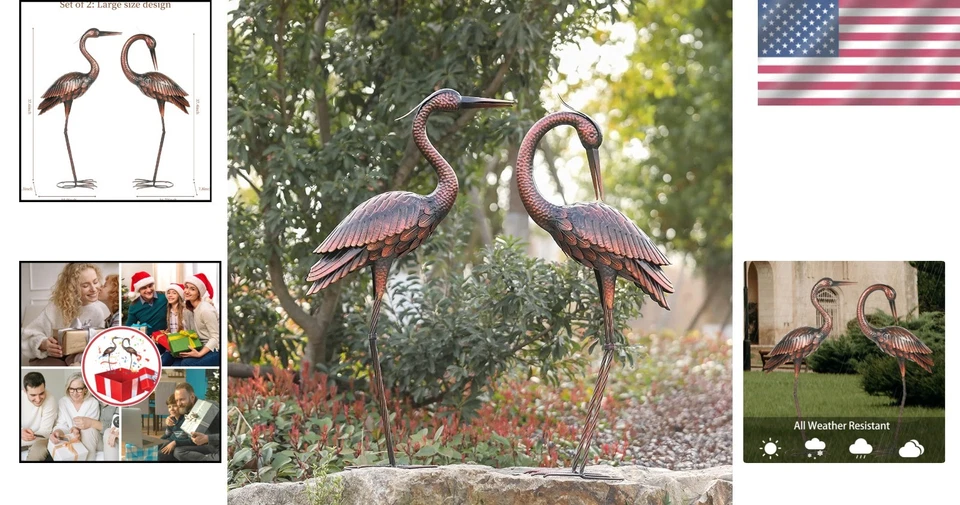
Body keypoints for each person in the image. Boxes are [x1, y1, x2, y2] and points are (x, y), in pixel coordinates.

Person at [21, 263, 110, 366]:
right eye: (85, 285)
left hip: (76, 359)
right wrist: (43, 344)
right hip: (49, 357)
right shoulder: (56, 308)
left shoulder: (97, 312)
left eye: (95, 282)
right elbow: (28, 336)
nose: (93, 289)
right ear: (72, 288)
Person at [165, 273, 219, 367]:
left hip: (215, 349)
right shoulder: (188, 309)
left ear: (199, 292)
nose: (187, 291)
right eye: (186, 287)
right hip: (199, 345)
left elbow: (215, 337)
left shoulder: (205, 310)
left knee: (186, 363)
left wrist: (199, 354)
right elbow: (190, 332)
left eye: (192, 289)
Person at [50, 373, 102, 461]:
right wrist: (57, 432)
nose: (75, 393)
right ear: (68, 389)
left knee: (88, 431)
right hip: (72, 438)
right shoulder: (63, 402)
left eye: (79, 389)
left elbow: (90, 427)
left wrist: (76, 429)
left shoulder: (93, 402)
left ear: (85, 389)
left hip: (90, 438)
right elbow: (61, 425)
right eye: (72, 389)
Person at [169, 382, 220, 462]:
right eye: (177, 400)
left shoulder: (212, 407)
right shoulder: (186, 410)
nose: (178, 404)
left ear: (192, 397)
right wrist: (171, 420)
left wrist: (208, 438)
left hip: (220, 446)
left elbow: (228, 435)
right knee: (178, 451)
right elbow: (180, 432)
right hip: (207, 446)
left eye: (182, 399)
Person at [21, 372, 57, 461]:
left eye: (41, 393)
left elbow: (44, 432)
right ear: (25, 391)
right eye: (33, 395)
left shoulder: (50, 400)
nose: (38, 399)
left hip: (40, 440)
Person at [124, 271, 168, 336]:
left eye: (150, 286)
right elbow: (129, 328)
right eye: (144, 288)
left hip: (166, 337)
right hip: (148, 340)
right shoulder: (134, 306)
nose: (149, 290)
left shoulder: (164, 297)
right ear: (139, 290)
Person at [158, 393, 193, 461]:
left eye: (174, 406)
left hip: (178, 446)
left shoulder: (186, 420)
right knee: (152, 448)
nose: (171, 409)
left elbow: (191, 440)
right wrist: (158, 441)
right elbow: (167, 434)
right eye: (169, 407)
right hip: (169, 442)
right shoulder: (171, 419)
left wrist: (175, 443)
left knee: (159, 456)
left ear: (180, 406)